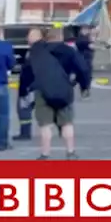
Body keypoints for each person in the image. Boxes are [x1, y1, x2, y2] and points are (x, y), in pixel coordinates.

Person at [19, 26, 90, 160]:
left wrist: (24, 91)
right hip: (64, 90)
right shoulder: (69, 51)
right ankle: (70, 152)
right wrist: (83, 86)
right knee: (67, 123)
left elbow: (26, 73)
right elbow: (83, 69)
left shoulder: (37, 52)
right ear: (62, 37)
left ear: (46, 38)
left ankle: (45, 154)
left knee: (45, 125)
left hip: (42, 91)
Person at [74, 25, 95, 96]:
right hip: (83, 58)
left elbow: (92, 47)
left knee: (87, 75)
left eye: (88, 29)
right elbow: (80, 43)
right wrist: (89, 43)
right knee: (84, 74)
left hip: (88, 58)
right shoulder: (80, 38)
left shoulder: (87, 37)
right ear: (82, 30)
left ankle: (85, 89)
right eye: (86, 29)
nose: (88, 31)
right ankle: (84, 89)